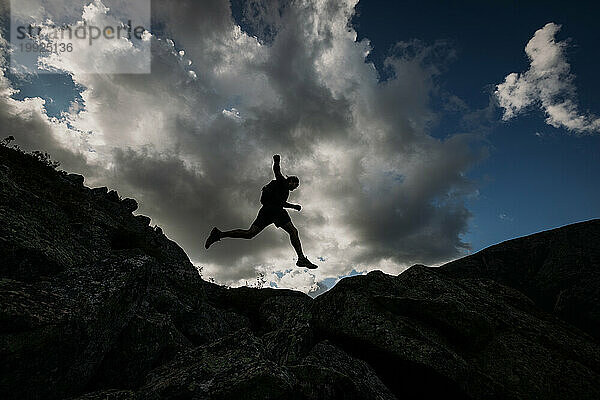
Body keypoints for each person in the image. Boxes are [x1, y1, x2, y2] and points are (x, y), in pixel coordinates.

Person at [204, 154, 318, 269]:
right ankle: (301, 259)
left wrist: (293, 206)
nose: (295, 187)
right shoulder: (282, 182)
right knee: (293, 232)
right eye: (295, 184)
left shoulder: (283, 190)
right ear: (290, 181)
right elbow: (277, 171)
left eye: (297, 186)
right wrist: (277, 161)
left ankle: (219, 234)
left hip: (266, 211)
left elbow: (280, 202)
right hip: (276, 211)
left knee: (250, 234)